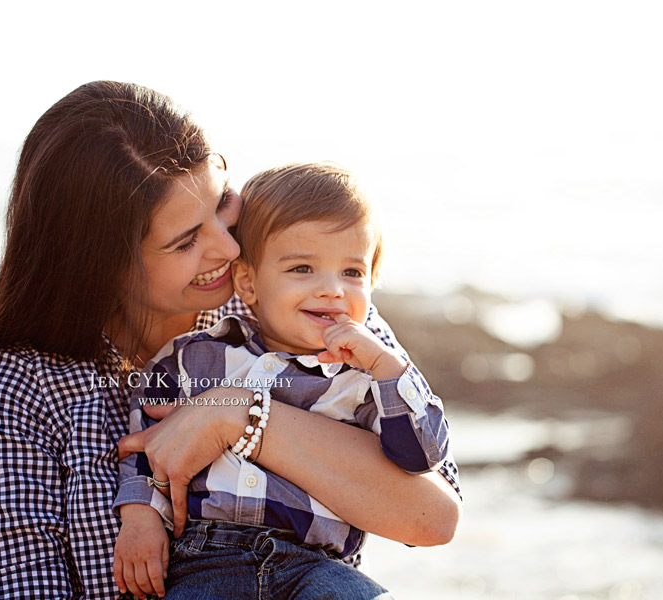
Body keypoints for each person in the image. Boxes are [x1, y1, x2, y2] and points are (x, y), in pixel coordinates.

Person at [0, 81, 461, 600]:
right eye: (186, 240)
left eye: (221, 203)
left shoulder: (295, 302)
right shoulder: (15, 393)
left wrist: (237, 415)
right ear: (102, 264)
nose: (227, 245)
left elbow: (433, 515)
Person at [113, 163, 454, 599]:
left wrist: (388, 369)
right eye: (302, 269)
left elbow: (420, 458)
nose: (332, 289)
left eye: (352, 273)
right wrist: (141, 516)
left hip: (318, 566)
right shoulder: (194, 357)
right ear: (249, 282)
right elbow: (147, 442)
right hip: (205, 562)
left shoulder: (368, 375)